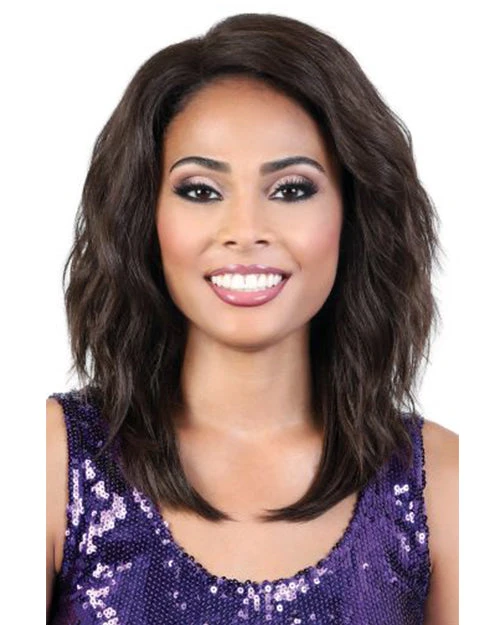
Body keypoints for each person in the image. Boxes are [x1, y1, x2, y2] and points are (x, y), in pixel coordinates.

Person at [46, 12, 458, 624]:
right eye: (200, 190)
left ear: (354, 213)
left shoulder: (444, 483)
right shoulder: (51, 462)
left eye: (291, 189)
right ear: (144, 217)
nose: (245, 231)